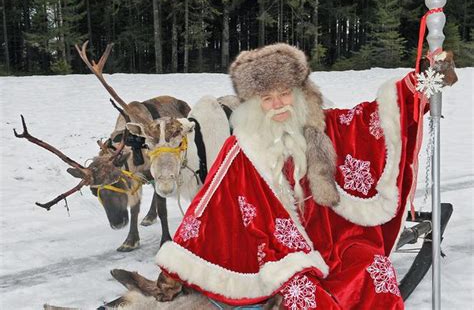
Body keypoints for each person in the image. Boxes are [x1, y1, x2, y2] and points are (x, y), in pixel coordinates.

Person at [111, 43, 457, 309]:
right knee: (302, 295)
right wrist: (175, 268)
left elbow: (371, 119)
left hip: (336, 240)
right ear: (252, 102)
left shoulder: (326, 127)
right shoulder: (242, 149)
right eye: (266, 98)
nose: (277, 105)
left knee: (372, 269)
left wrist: (422, 85)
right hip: (279, 252)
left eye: (284, 94)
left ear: (299, 93)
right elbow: (207, 205)